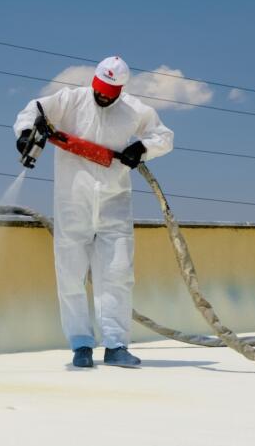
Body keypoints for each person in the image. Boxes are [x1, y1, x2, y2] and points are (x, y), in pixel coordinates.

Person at [14, 56, 173, 368]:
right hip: (73, 202)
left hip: (115, 203)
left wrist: (141, 149)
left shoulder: (133, 109)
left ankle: (116, 345)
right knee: (70, 275)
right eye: (99, 89)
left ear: (119, 89)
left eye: (109, 92)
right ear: (95, 81)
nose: (102, 96)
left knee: (117, 275)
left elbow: (164, 136)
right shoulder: (70, 100)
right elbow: (33, 110)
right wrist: (24, 134)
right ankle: (80, 344)